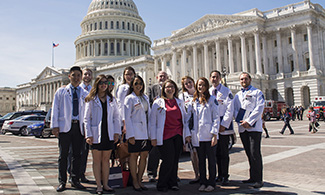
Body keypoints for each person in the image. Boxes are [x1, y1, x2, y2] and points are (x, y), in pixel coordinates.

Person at [149, 79, 191, 192]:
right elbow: (152, 122)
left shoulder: (179, 102)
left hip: (178, 134)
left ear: (175, 89)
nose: (170, 89)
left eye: (172, 86)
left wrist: (187, 134)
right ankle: (162, 183)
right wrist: (152, 137)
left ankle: (172, 182)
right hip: (164, 135)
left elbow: (185, 120)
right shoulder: (158, 102)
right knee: (168, 160)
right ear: (164, 89)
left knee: (175, 160)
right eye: (167, 87)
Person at [51, 66, 88, 192]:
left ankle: (75, 179)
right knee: (63, 155)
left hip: (79, 127)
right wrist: (54, 126)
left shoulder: (84, 93)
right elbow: (55, 109)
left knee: (77, 155)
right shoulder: (61, 92)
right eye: (74, 75)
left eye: (79, 75)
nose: (77, 78)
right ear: (69, 76)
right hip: (65, 127)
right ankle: (62, 181)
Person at [84, 74, 120, 194]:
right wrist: (88, 134)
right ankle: (98, 185)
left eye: (106, 83)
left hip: (108, 133)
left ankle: (106, 184)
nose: (104, 85)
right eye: (101, 83)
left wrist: (116, 133)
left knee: (106, 161)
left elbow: (116, 117)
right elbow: (86, 118)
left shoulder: (112, 99)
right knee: (97, 161)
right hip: (96, 133)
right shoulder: (91, 99)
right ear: (97, 84)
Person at [233, 72, 265, 188]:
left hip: (254, 128)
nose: (243, 81)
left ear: (250, 80)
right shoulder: (237, 95)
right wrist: (241, 122)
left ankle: (259, 179)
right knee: (248, 152)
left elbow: (259, 109)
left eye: (245, 79)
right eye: (241, 79)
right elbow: (235, 110)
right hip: (243, 128)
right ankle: (252, 177)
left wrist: (249, 121)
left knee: (255, 152)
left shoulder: (257, 93)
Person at [191, 77, 219, 192]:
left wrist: (214, 134)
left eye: (202, 85)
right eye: (198, 85)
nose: (200, 87)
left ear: (206, 86)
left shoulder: (212, 99)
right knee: (201, 160)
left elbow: (216, 118)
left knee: (211, 160)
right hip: (198, 136)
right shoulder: (194, 101)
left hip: (209, 135)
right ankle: (203, 181)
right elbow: (191, 118)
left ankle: (211, 182)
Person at [124, 75, 151, 191]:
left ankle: (140, 180)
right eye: (136, 83)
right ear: (132, 85)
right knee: (134, 156)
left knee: (144, 156)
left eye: (140, 83)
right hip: (135, 131)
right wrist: (130, 135)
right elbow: (127, 117)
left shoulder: (145, 97)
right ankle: (134, 180)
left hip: (145, 131)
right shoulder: (129, 98)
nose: (138, 85)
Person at [209, 70, 234, 186]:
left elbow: (230, 109)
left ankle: (225, 175)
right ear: (210, 79)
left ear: (220, 78)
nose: (214, 79)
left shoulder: (226, 91)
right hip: (213, 128)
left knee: (224, 153)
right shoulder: (208, 92)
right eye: (213, 77)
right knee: (215, 153)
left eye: (216, 77)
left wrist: (224, 124)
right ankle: (218, 175)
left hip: (223, 128)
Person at [146, 71, 168, 182]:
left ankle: (171, 173)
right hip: (156, 122)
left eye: (164, 76)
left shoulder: (170, 88)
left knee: (169, 152)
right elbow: (150, 103)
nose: (162, 78)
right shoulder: (151, 88)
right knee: (154, 151)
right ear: (156, 77)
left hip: (168, 124)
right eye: (160, 76)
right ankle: (151, 173)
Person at [179, 76, 199, 184]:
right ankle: (197, 175)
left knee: (202, 153)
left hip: (200, 127)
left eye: (190, 82)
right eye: (186, 84)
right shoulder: (182, 96)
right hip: (189, 128)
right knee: (193, 153)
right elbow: (183, 114)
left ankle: (204, 174)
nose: (188, 85)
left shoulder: (199, 93)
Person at [116, 66, 136, 133]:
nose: (129, 76)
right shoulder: (123, 88)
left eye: (131, 74)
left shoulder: (135, 87)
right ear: (124, 76)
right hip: (126, 119)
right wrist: (124, 122)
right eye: (127, 74)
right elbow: (121, 105)